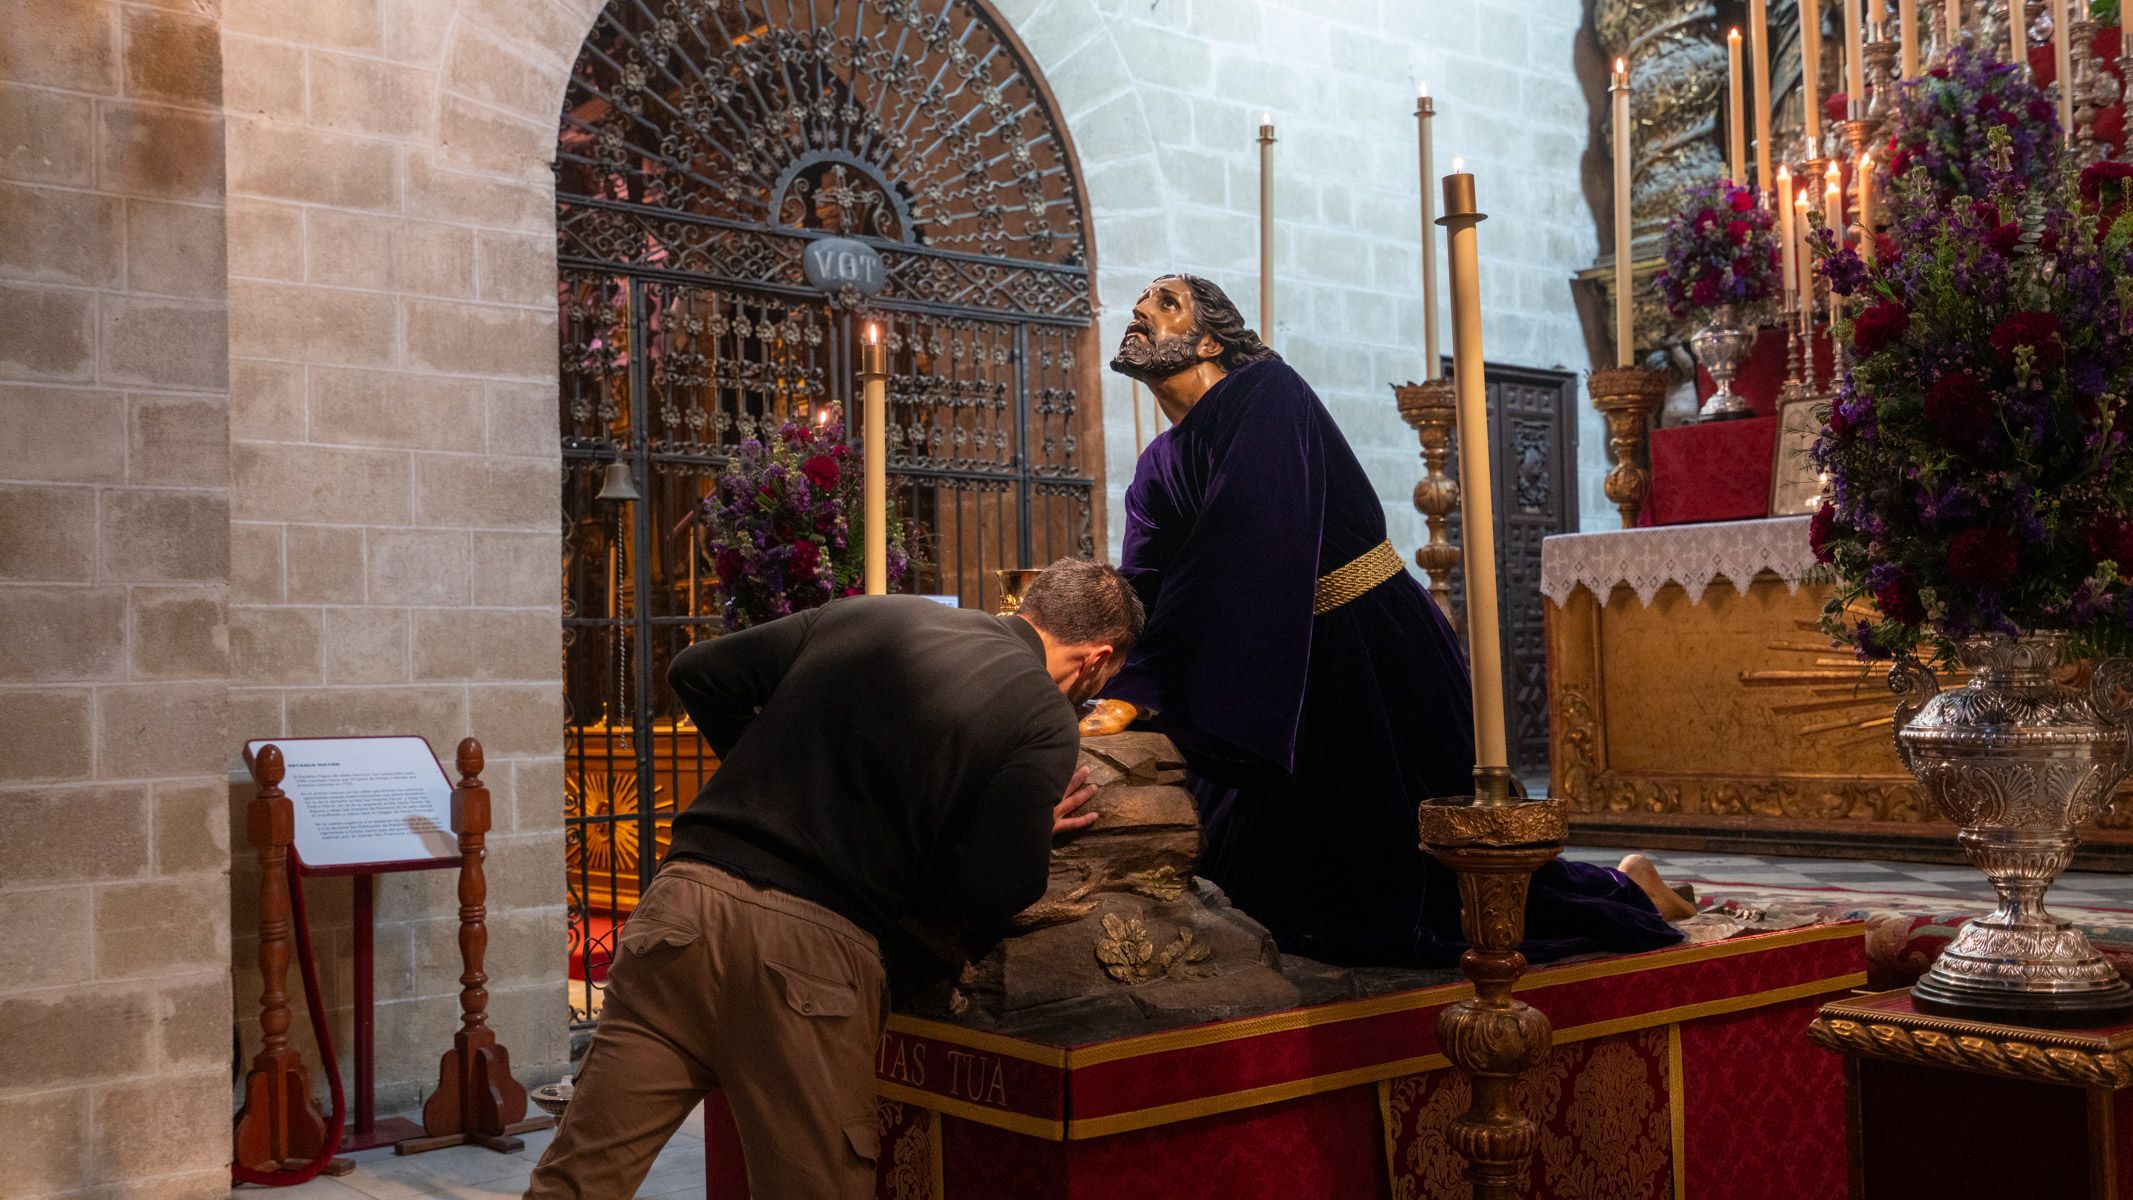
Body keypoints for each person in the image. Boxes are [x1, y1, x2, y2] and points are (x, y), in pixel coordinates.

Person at [1079, 273, 1693, 969]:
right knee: (1272, 896)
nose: (1140, 314)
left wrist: (1145, 686)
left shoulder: (1267, 393)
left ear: (1210, 337)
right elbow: (1146, 582)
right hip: (1288, 666)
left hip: (1371, 653)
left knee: (1427, 883)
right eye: (1139, 307)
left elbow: (1243, 535)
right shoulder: (1159, 462)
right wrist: (1098, 665)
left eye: (1165, 305)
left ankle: (1627, 882)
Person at [525, 559, 1144, 1200]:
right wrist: (1022, 833)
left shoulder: (873, 612)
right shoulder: (1043, 714)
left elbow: (698, 671)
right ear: (1098, 660)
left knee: (577, 1181)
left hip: (680, 910)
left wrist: (774, 784)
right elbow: (1002, 884)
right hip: (810, 958)